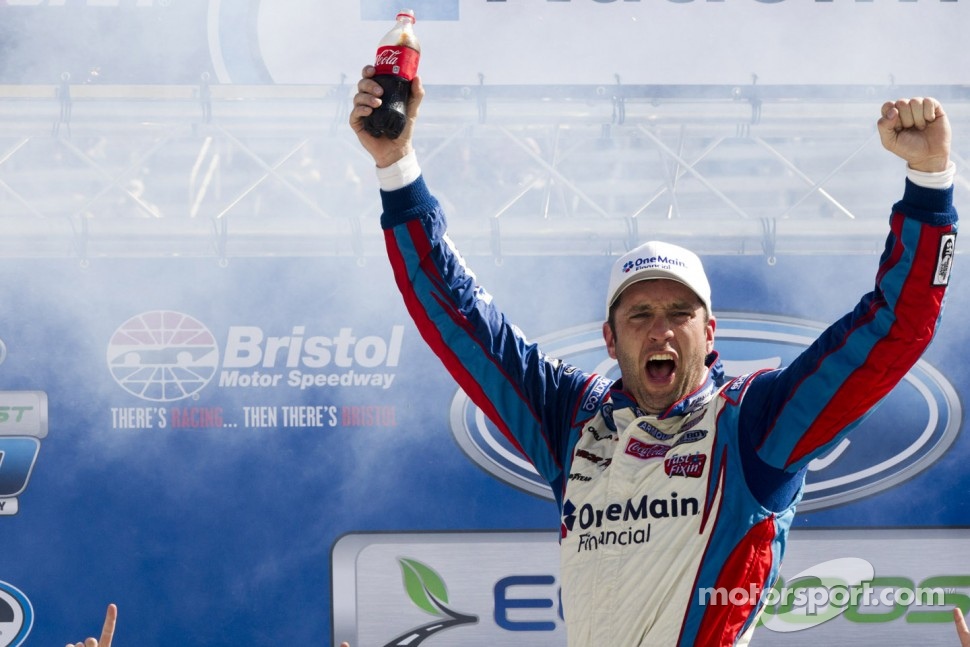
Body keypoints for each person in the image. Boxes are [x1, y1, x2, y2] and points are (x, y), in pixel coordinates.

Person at [352, 62, 958, 646]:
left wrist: (930, 184)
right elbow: (458, 320)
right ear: (611, 340)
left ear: (711, 333)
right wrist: (395, 167)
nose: (660, 331)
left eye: (679, 314)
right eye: (639, 316)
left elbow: (893, 330)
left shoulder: (752, 426)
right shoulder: (574, 423)